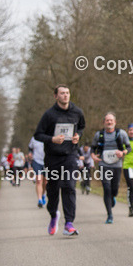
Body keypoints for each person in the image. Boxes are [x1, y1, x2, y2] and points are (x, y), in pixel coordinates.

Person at [33, 85, 86, 236]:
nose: (65, 96)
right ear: (56, 96)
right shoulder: (49, 115)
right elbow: (38, 135)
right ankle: (53, 215)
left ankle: (69, 223)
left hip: (70, 155)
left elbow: (82, 127)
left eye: (67, 93)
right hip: (52, 157)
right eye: (62, 93)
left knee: (69, 186)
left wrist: (78, 136)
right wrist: (52, 139)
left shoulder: (77, 112)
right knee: (53, 189)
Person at [90, 113, 131, 224]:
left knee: (114, 188)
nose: (109, 122)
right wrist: (93, 156)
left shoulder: (121, 133)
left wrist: (123, 152)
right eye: (107, 120)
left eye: (111, 120)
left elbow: (128, 147)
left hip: (117, 165)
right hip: (104, 165)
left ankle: (113, 196)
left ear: (115, 122)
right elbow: (92, 148)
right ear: (104, 122)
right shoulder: (99, 134)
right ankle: (109, 215)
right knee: (106, 188)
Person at [29, 136, 47, 207]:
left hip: (47, 161)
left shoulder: (48, 136)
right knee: (39, 180)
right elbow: (30, 148)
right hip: (36, 161)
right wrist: (30, 153)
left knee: (45, 182)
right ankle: (39, 200)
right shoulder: (34, 138)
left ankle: (43, 195)